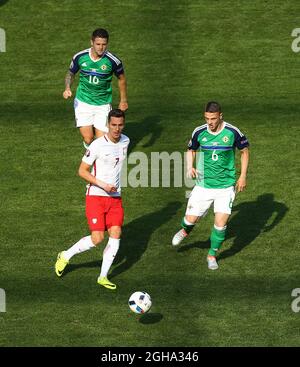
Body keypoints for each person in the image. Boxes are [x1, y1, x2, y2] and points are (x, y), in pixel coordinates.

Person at [55, 109, 130, 290]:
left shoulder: (126, 141)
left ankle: (102, 277)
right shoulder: (96, 145)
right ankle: (65, 255)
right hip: (96, 196)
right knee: (97, 238)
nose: (117, 129)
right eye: (113, 125)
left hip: (115, 198)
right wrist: (103, 185)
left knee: (116, 234)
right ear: (107, 124)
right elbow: (82, 171)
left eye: (120, 125)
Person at [172, 101, 250, 270]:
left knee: (220, 225)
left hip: (225, 186)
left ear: (220, 116)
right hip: (203, 185)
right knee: (190, 220)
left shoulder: (232, 132)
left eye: (213, 119)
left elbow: (244, 151)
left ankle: (212, 255)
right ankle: (185, 230)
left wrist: (243, 176)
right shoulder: (199, 132)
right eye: (207, 118)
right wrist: (189, 166)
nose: (210, 122)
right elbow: (191, 149)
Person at [63, 28, 128, 148]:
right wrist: (67, 87)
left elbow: (121, 78)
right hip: (83, 102)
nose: (101, 47)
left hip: (102, 104)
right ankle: (91, 156)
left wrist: (123, 100)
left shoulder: (113, 61)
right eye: (98, 44)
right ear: (91, 42)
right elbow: (71, 73)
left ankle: (96, 164)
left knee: (102, 141)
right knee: (88, 139)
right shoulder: (80, 57)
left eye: (104, 44)